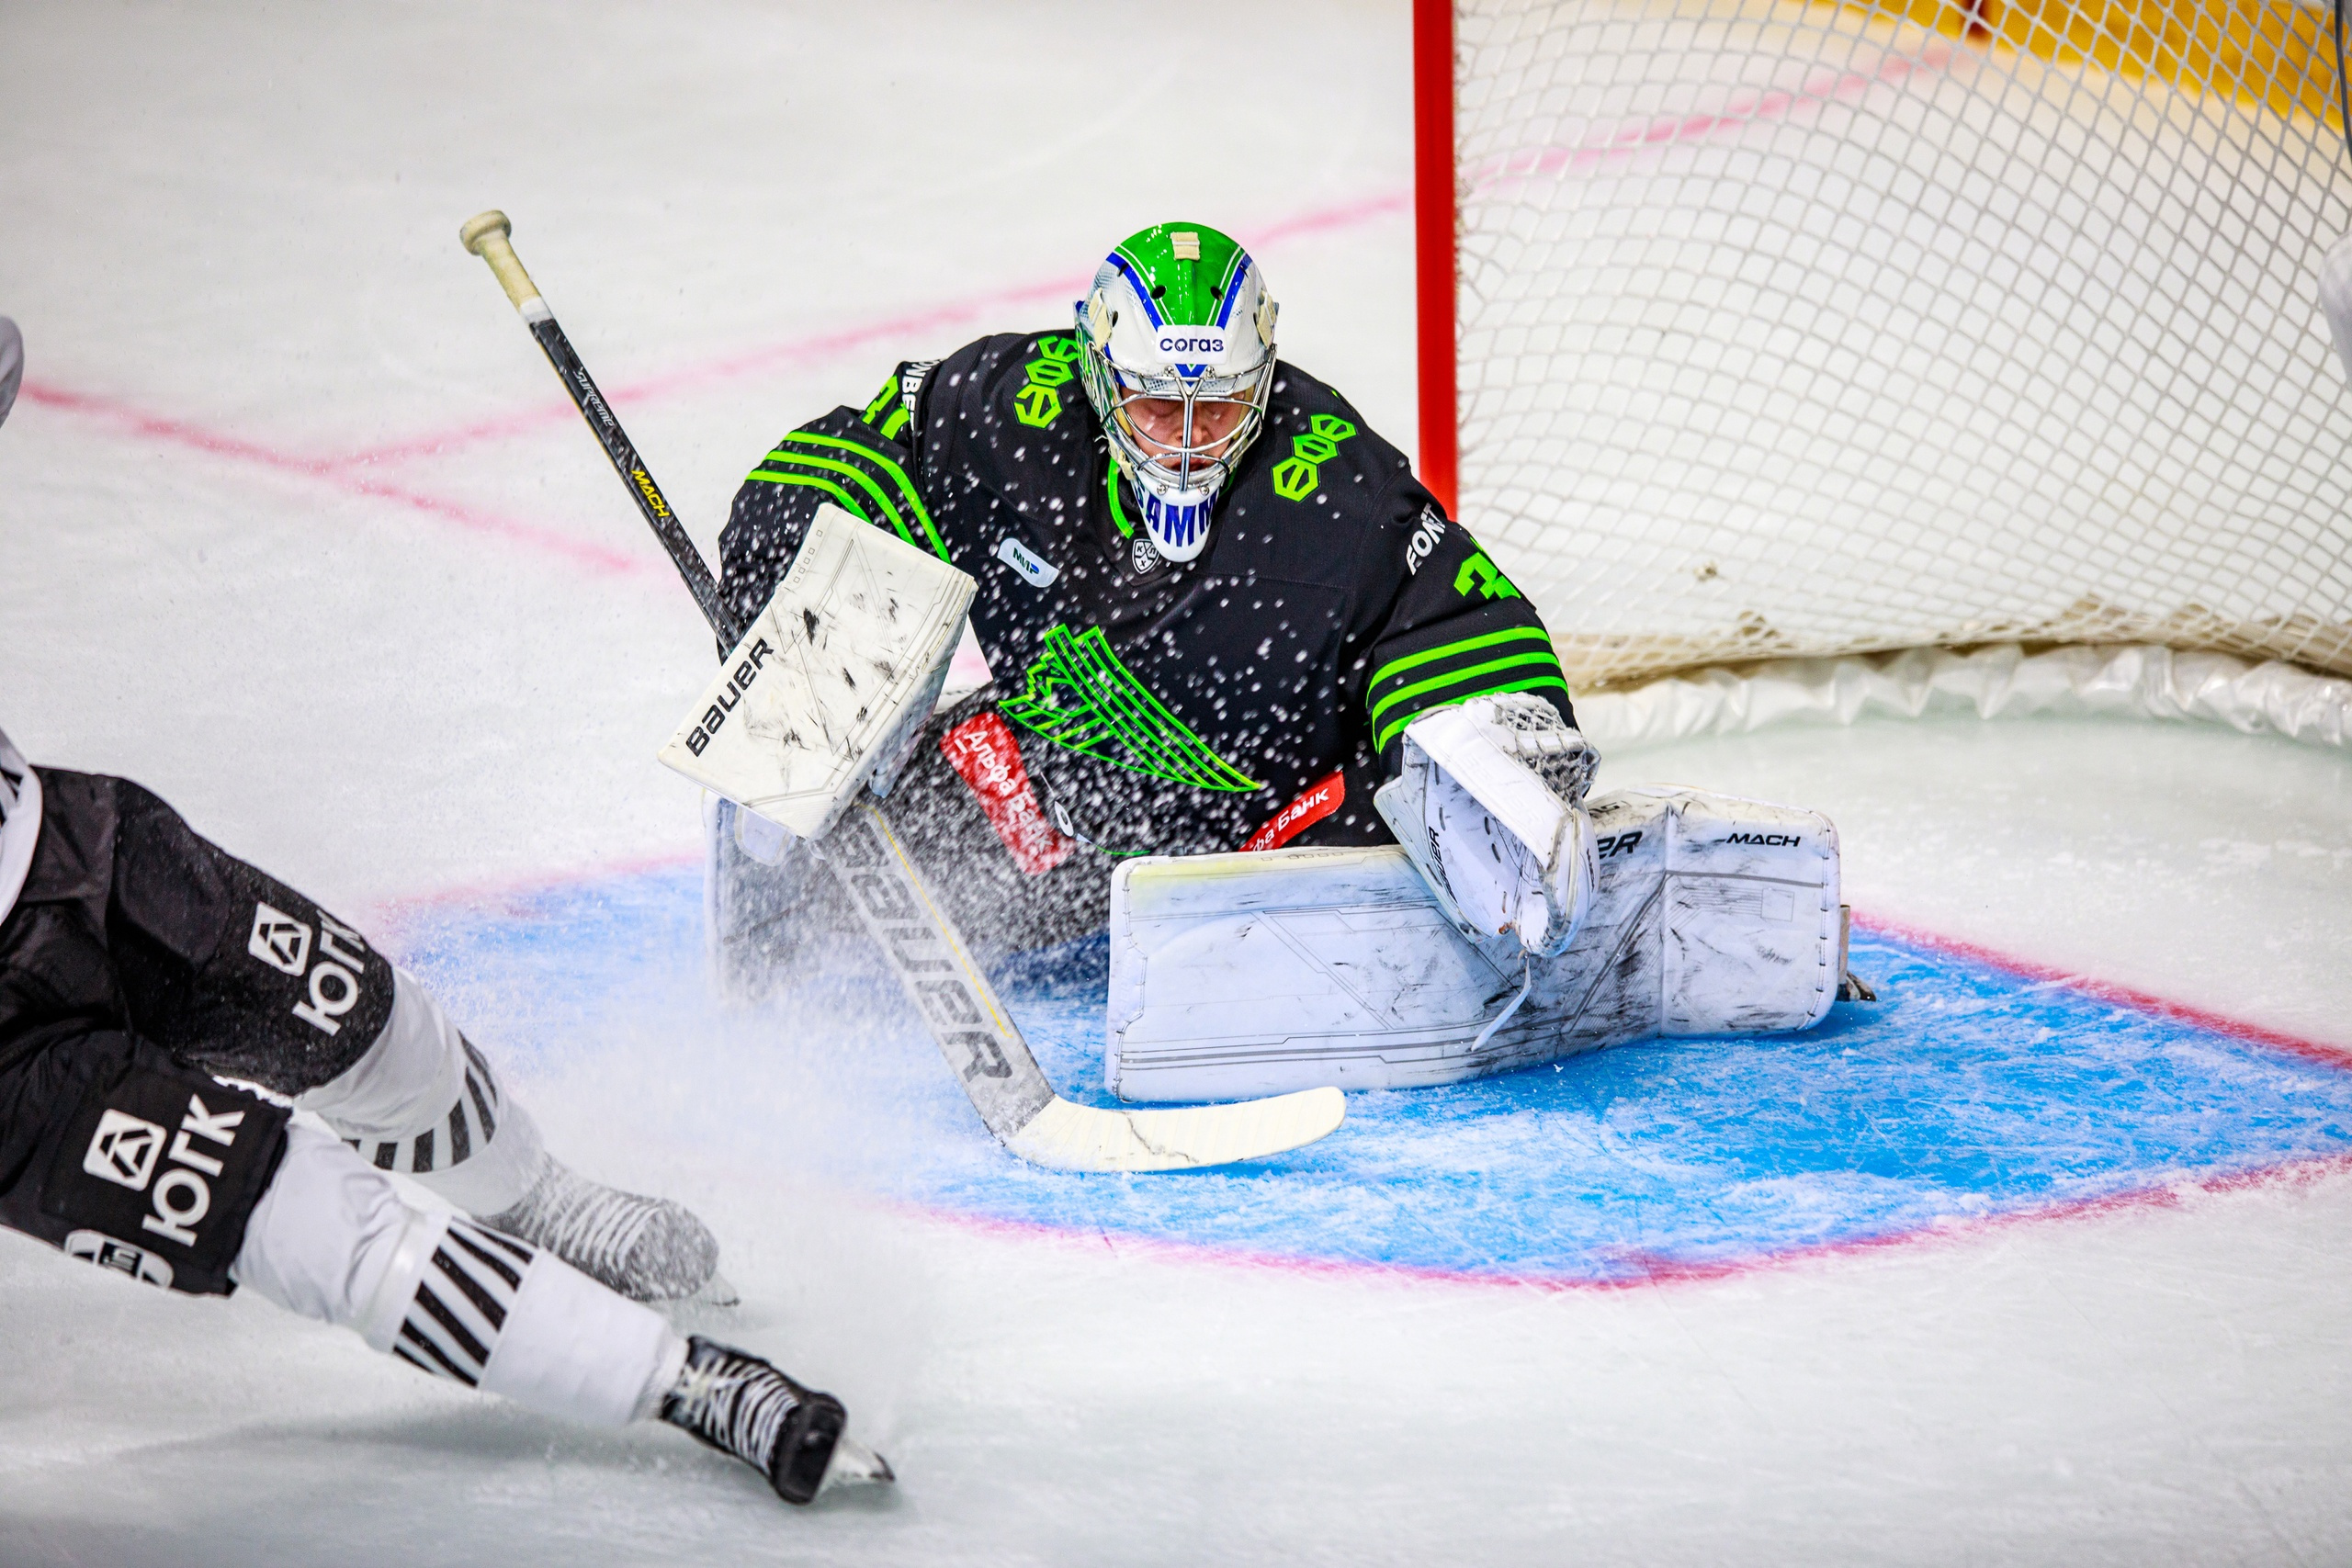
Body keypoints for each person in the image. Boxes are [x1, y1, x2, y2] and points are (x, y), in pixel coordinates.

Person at [0, 316, 888, 1507]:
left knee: (367, 1019)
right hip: (16, 1066)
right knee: (321, 1226)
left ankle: (538, 1200)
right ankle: (692, 1383)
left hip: (77, 844)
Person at [711, 222, 1598, 987]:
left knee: (1402, 833)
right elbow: (848, 458)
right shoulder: (1009, 413)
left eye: (1216, 409)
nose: (1185, 444)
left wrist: (1482, 757)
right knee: (797, 932)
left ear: (1263, 380)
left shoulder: (1335, 488)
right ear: (1098, 379)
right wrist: (790, 607)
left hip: (1266, 839)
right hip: (1048, 792)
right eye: (1155, 408)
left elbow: (1458, 621)